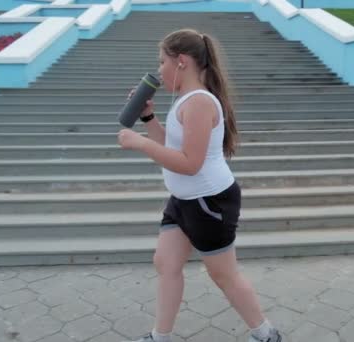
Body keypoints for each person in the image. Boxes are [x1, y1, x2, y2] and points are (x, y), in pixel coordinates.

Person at [117, 28, 282, 342]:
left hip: (209, 200)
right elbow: (172, 148)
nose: (159, 69)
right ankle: (160, 336)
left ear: (181, 62)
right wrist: (149, 119)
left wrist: (138, 143)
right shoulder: (186, 100)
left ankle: (266, 334)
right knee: (166, 263)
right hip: (183, 199)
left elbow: (190, 164)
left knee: (223, 274)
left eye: (162, 61)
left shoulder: (200, 103)